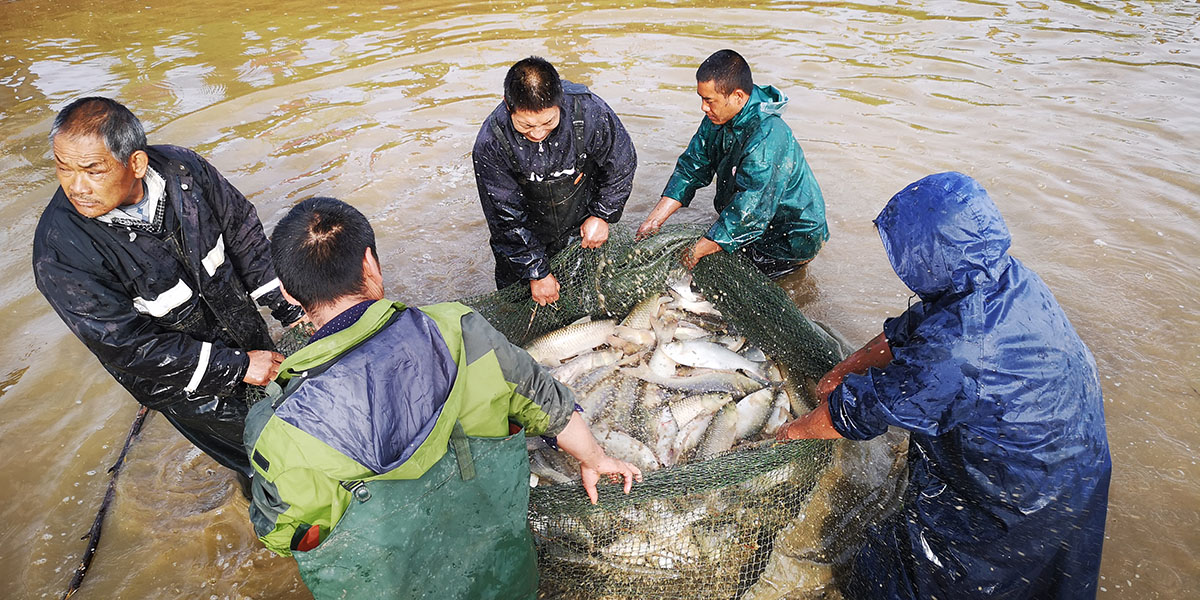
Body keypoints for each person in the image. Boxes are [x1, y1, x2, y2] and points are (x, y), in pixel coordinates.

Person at [245, 197, 641, 599]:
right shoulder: (460, 329)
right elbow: (545, 402)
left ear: (289, 294)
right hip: (503, 581)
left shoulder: (273, 427)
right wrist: (595, 459)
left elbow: (281, 534)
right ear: (370, 264)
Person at [776, 173, 1111, 599]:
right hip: (1076, 462)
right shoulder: (1003, 277)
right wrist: (842, 371)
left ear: (927, 256)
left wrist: (792, 432)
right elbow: (915, 328)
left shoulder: (959, 350)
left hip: (1020, 490)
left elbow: (864, 411)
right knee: (1045, 579)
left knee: (921, 580)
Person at [33, 97, 303, 480]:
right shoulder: (60, 250)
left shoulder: (183, 170)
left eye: (93, 170)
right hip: (184, 386)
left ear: (137, 163)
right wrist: (238, 366)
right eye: (64, 168)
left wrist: (289, 309)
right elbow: (126, 345)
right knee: (266, 458)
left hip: (244, 333)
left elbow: (241, 232)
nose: (77, 187)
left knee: (300, 420)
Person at [637, 49, 828, 278]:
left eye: (709, 100)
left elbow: (750, 213)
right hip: (755, 221)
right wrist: (654, 221)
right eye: (701, 98)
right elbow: (691, 167)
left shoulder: (767, 138)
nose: (703, 108)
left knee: (737, 287)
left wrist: (695, 252)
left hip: (789, 239)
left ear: (737, 96)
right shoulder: (717, 116)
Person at [473, 56, 637, 305]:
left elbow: (621, 164)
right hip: (523, 237)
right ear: (509, 106)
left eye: (548, 122)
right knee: (520, 308)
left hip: (580, 227)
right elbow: (504, 217)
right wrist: (536, 271)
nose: (537, 133)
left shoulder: (590, 112)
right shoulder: (492, 142)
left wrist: (602, 214)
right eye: (526, 125)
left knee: (586, 300)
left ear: (560, 102)